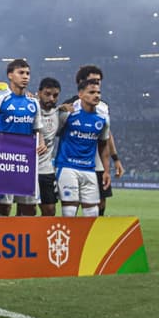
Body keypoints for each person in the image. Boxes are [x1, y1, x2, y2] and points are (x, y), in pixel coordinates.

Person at [0, 59, 45, 216]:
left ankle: (24, 240)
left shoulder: (33, 103)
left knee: (29, 209)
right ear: (10, 75)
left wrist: (41, 142)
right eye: (21, 73)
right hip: (4, 162)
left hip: (26, 162)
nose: (25, 77)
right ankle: (2, 239)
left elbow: (37, 129)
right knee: (4, 208)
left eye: (28, 73)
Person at [63, 65, 125, 215]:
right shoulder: (68, 106)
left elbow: (107, 134)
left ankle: (96, 234)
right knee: (74, 203)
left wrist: (115, 159)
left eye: (99, 81)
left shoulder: (103, 107)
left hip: (98, 163)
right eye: (93, 80)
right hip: (75, 163)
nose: (96, 83)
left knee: (101, 201)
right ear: (81, 82)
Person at [56, 79, 110, 217]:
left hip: (89, 168)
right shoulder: (68, 113)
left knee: (92, 211)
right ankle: (70, 239)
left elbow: (103, 144)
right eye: (91, 92)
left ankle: (88, 239)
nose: (96, 95)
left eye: (98, 92)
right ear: (80, 94)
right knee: (69, 210)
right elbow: (52, 132)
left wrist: (106, 171)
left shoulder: (103, 118)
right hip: (68, 167)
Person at [37, 77, 62, 216]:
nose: (51, 98)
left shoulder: (60, 113)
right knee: (27, 209)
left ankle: (42, 238)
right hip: (26, 167)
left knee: (50, 210)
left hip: (46, 169)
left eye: (55, 95)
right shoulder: (30, 108)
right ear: (39, 93)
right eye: (47, 94)